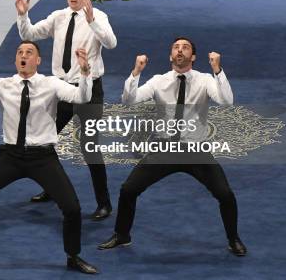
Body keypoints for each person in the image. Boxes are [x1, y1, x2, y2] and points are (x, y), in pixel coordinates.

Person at [0, 41, 99, 274]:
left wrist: (85, 72)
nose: (23, 56)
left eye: (29, 53)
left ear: (38, 60)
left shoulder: (52, 84)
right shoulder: (3, 85)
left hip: (43, 158)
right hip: (11, 156)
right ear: (15, 60)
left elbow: (82, 97)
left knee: (72, 208)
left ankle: (73, 256)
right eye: (19, 53)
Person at [98, 37, 247, 256]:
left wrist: (217, 70)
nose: (180, 50)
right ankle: (122, 235)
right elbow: (129, 100)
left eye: (185, 48)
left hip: (195, 150)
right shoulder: (158, 81)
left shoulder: (205, 79)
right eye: (176, 47)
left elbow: (226, 102)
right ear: (170, 56)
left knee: (225, 194)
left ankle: (233, 239)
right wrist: (136, 72)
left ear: (193, 57)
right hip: (163, 149)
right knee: (128, 190)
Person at [15, 0, 116, 220]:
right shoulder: (58, 17)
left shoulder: (99, 17)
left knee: (89, 147)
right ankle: (51, 188)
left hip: (88, 90)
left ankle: (104, 203)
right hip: (60, 90)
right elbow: (29, 34)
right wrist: (22, 14)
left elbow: (111, 42)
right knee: (46, 141)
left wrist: (92, 21)